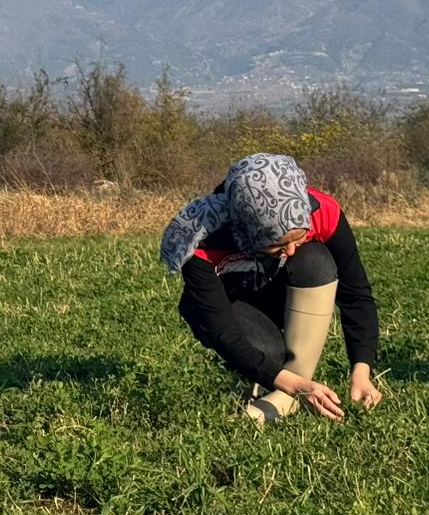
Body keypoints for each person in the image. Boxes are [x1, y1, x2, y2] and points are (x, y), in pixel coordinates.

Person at [159, 152, 384, 425]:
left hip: (282, 292)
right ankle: (284, 386)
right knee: (269, 353)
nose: (290, 251)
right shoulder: (200, 239)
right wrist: (291, 382)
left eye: (298, 237)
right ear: (245, 229)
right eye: (276, 246)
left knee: (316, 259)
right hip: (231, 304)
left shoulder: (324, 212)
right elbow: (221, 330)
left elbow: (356, 294)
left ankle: (286, 394)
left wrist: (361, 371)